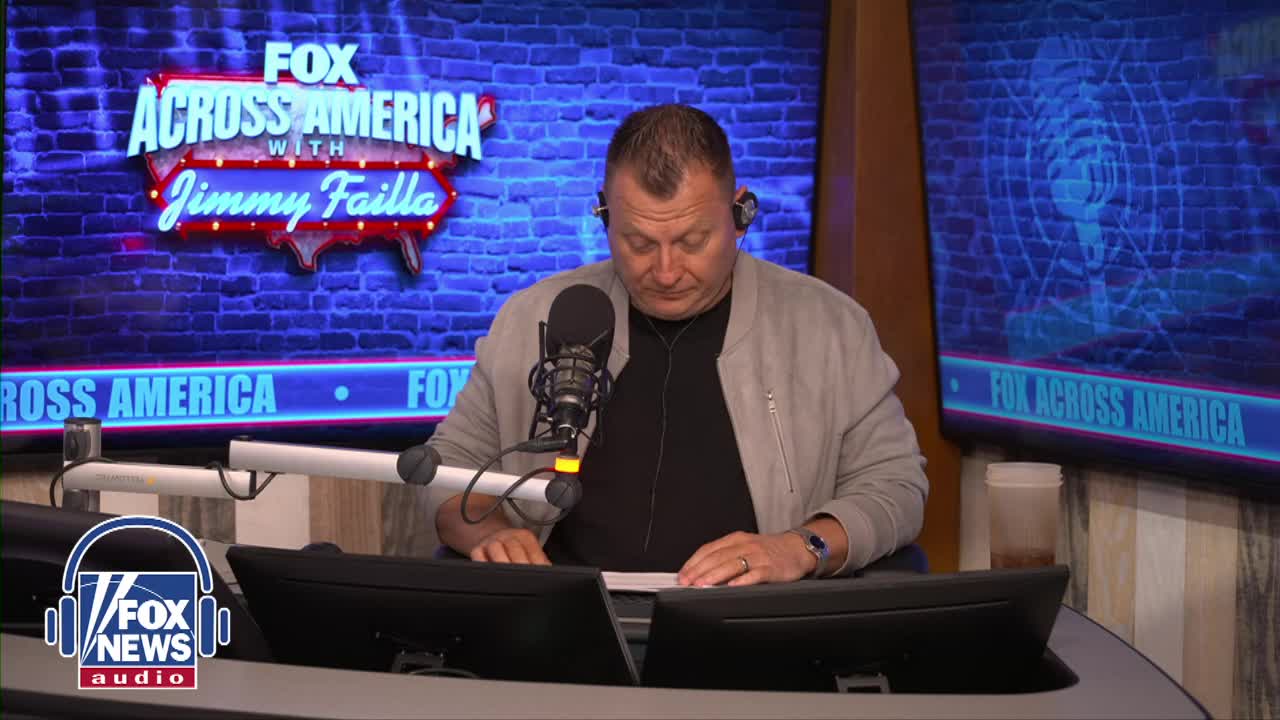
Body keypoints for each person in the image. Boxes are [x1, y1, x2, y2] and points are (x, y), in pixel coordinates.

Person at [428, 104, 927, 587]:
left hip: (756, 627)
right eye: (639, 243)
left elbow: (896, 490)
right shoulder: (533, 317)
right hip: (563, 621)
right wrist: (490, 536)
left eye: (692, 241)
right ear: (603, 215)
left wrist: (800, 547)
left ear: (740, 213)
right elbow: (444, 469)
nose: (665, 272)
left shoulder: (830, 327)